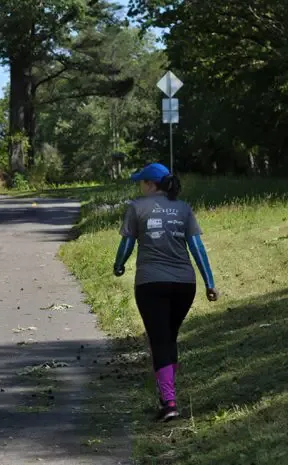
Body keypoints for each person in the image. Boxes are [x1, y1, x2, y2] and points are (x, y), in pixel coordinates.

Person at [114, 162, 218, 422]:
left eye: (141, 182)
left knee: (159, 340)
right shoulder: (183, 209)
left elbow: (127, 243)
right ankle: (166, 392)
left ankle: (169, 402)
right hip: (185, 285)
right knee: (169, 337)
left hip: (151, 284)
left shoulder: (136, 207)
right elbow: (197, 247)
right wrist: (209, 282)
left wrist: (119, 265)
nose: (140, 186)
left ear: (150, 184)